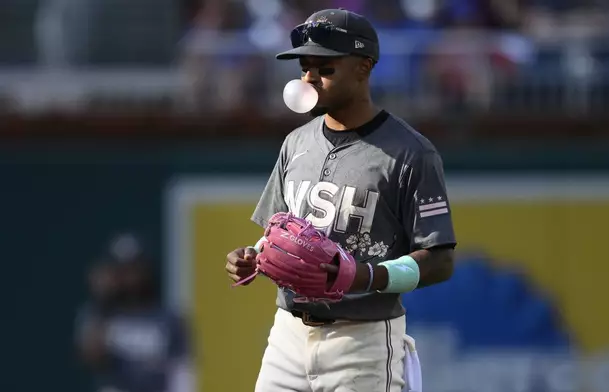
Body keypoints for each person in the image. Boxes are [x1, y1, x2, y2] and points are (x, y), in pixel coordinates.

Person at [225, 8, 457, 392]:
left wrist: (367, 275)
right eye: (305, 67)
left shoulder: (411, 152)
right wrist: (254, 255)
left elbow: (441, 260)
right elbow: (278, 231)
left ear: (363, 67)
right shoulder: (296, 142)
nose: (310, 78)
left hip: (361, 340)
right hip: (287, 335)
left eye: (326, 68)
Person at [75, 235, 194, 392]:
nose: (130, 277)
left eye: (135, 268)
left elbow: (183, 367)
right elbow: (92, 356)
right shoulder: (100, 314)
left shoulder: (168, 317)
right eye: (122, 270)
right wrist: (102, 300)